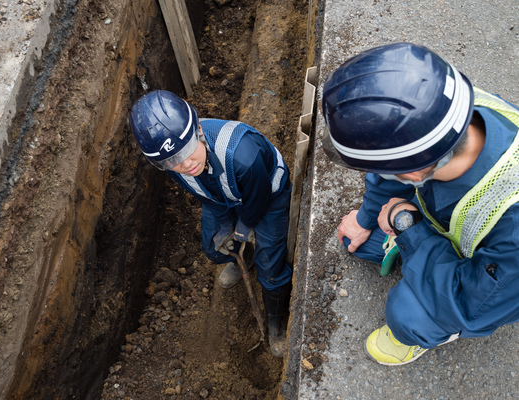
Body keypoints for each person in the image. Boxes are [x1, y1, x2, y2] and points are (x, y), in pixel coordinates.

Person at [322, 42, 519, 366]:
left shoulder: (513, 233)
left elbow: (468, 302)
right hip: (455, 215)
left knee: (408, 314)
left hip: (501, 281)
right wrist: (366, 218)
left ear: (413, 171)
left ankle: (425, 334)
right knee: (360, 241)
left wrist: (408, 227)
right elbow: (390, 171)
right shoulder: (446, 113)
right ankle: (425, 257)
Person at [129, 90, 293, 357]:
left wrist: (241, 231)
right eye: (172, 161)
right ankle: (244, 259)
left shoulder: (243, 156)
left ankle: (276, 323)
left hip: (266, 196)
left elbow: (258, 201)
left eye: (186, 152)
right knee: (214, 247)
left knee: (270, 269)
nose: (185, 164)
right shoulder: (177, 164)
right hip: (223, 196)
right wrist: (227, 226)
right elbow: (205, 195)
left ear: (199, 130)